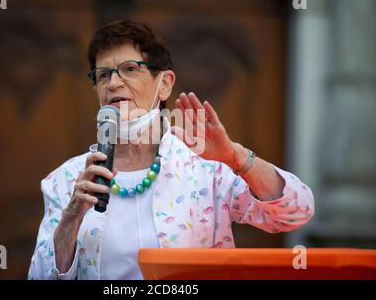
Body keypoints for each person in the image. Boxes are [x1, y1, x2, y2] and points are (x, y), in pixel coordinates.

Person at [28, 20, 314, 280]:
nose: (113, 83)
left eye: (129, 69)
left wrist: (236, 158)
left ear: (164, 85)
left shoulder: (206, 166)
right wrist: (73, 216)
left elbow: (296, 212)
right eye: (103, 75)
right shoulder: (68, 180)